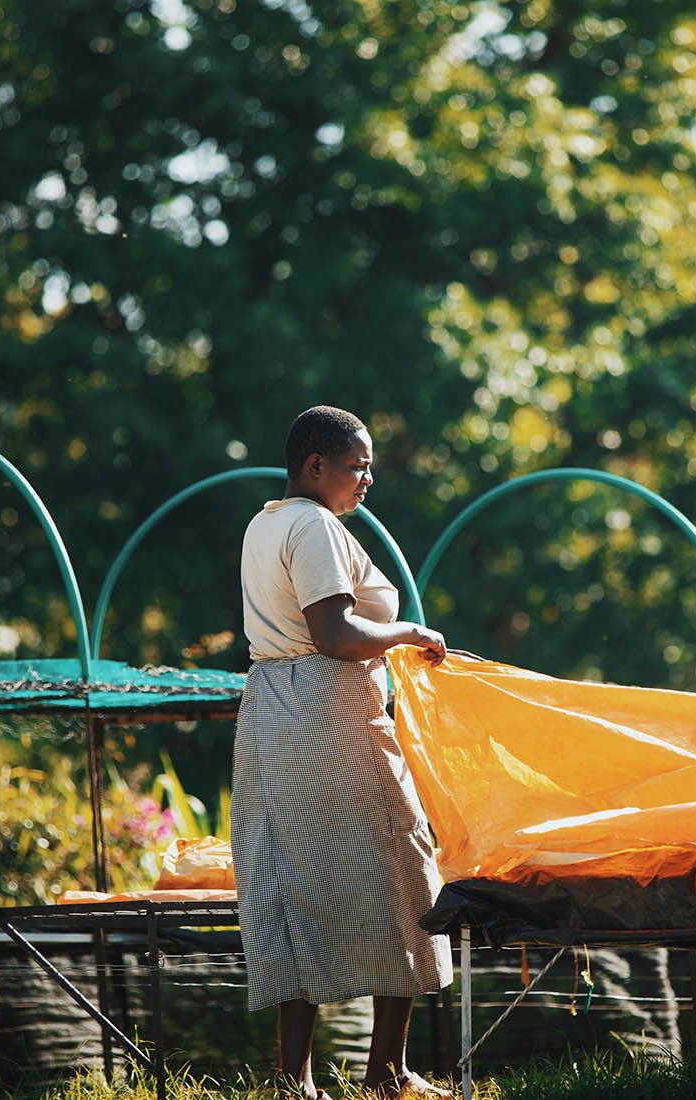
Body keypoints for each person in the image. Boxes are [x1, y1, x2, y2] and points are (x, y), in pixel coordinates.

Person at [231, 405, 454, 1099]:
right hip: (328, 714)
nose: (366, 480)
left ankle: (292, 1080)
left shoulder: (263, 523)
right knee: (404, 868)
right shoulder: (314, 524)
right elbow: (333, 630)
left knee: (288, 881)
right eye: (356, 466)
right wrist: (410, 632)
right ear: (314, 466)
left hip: (270, 711)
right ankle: (387, 1073)